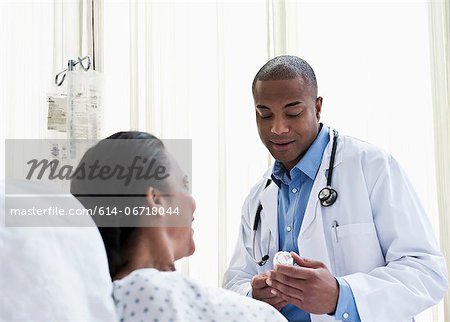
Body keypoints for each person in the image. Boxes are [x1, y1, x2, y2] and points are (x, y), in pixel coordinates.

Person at [222, 55, 448, 322]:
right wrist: (253, 296)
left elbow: (426, 272)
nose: (278, 128)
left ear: (317, 108)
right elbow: (235, 282)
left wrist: (342, 296)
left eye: (293, 113)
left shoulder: (372, 167)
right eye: (264, 114)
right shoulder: (259, 196)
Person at [71, 131, 288, 322]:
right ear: (155, 200)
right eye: (184, 185)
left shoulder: (87, 302)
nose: (192, 203)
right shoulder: (150, 293)